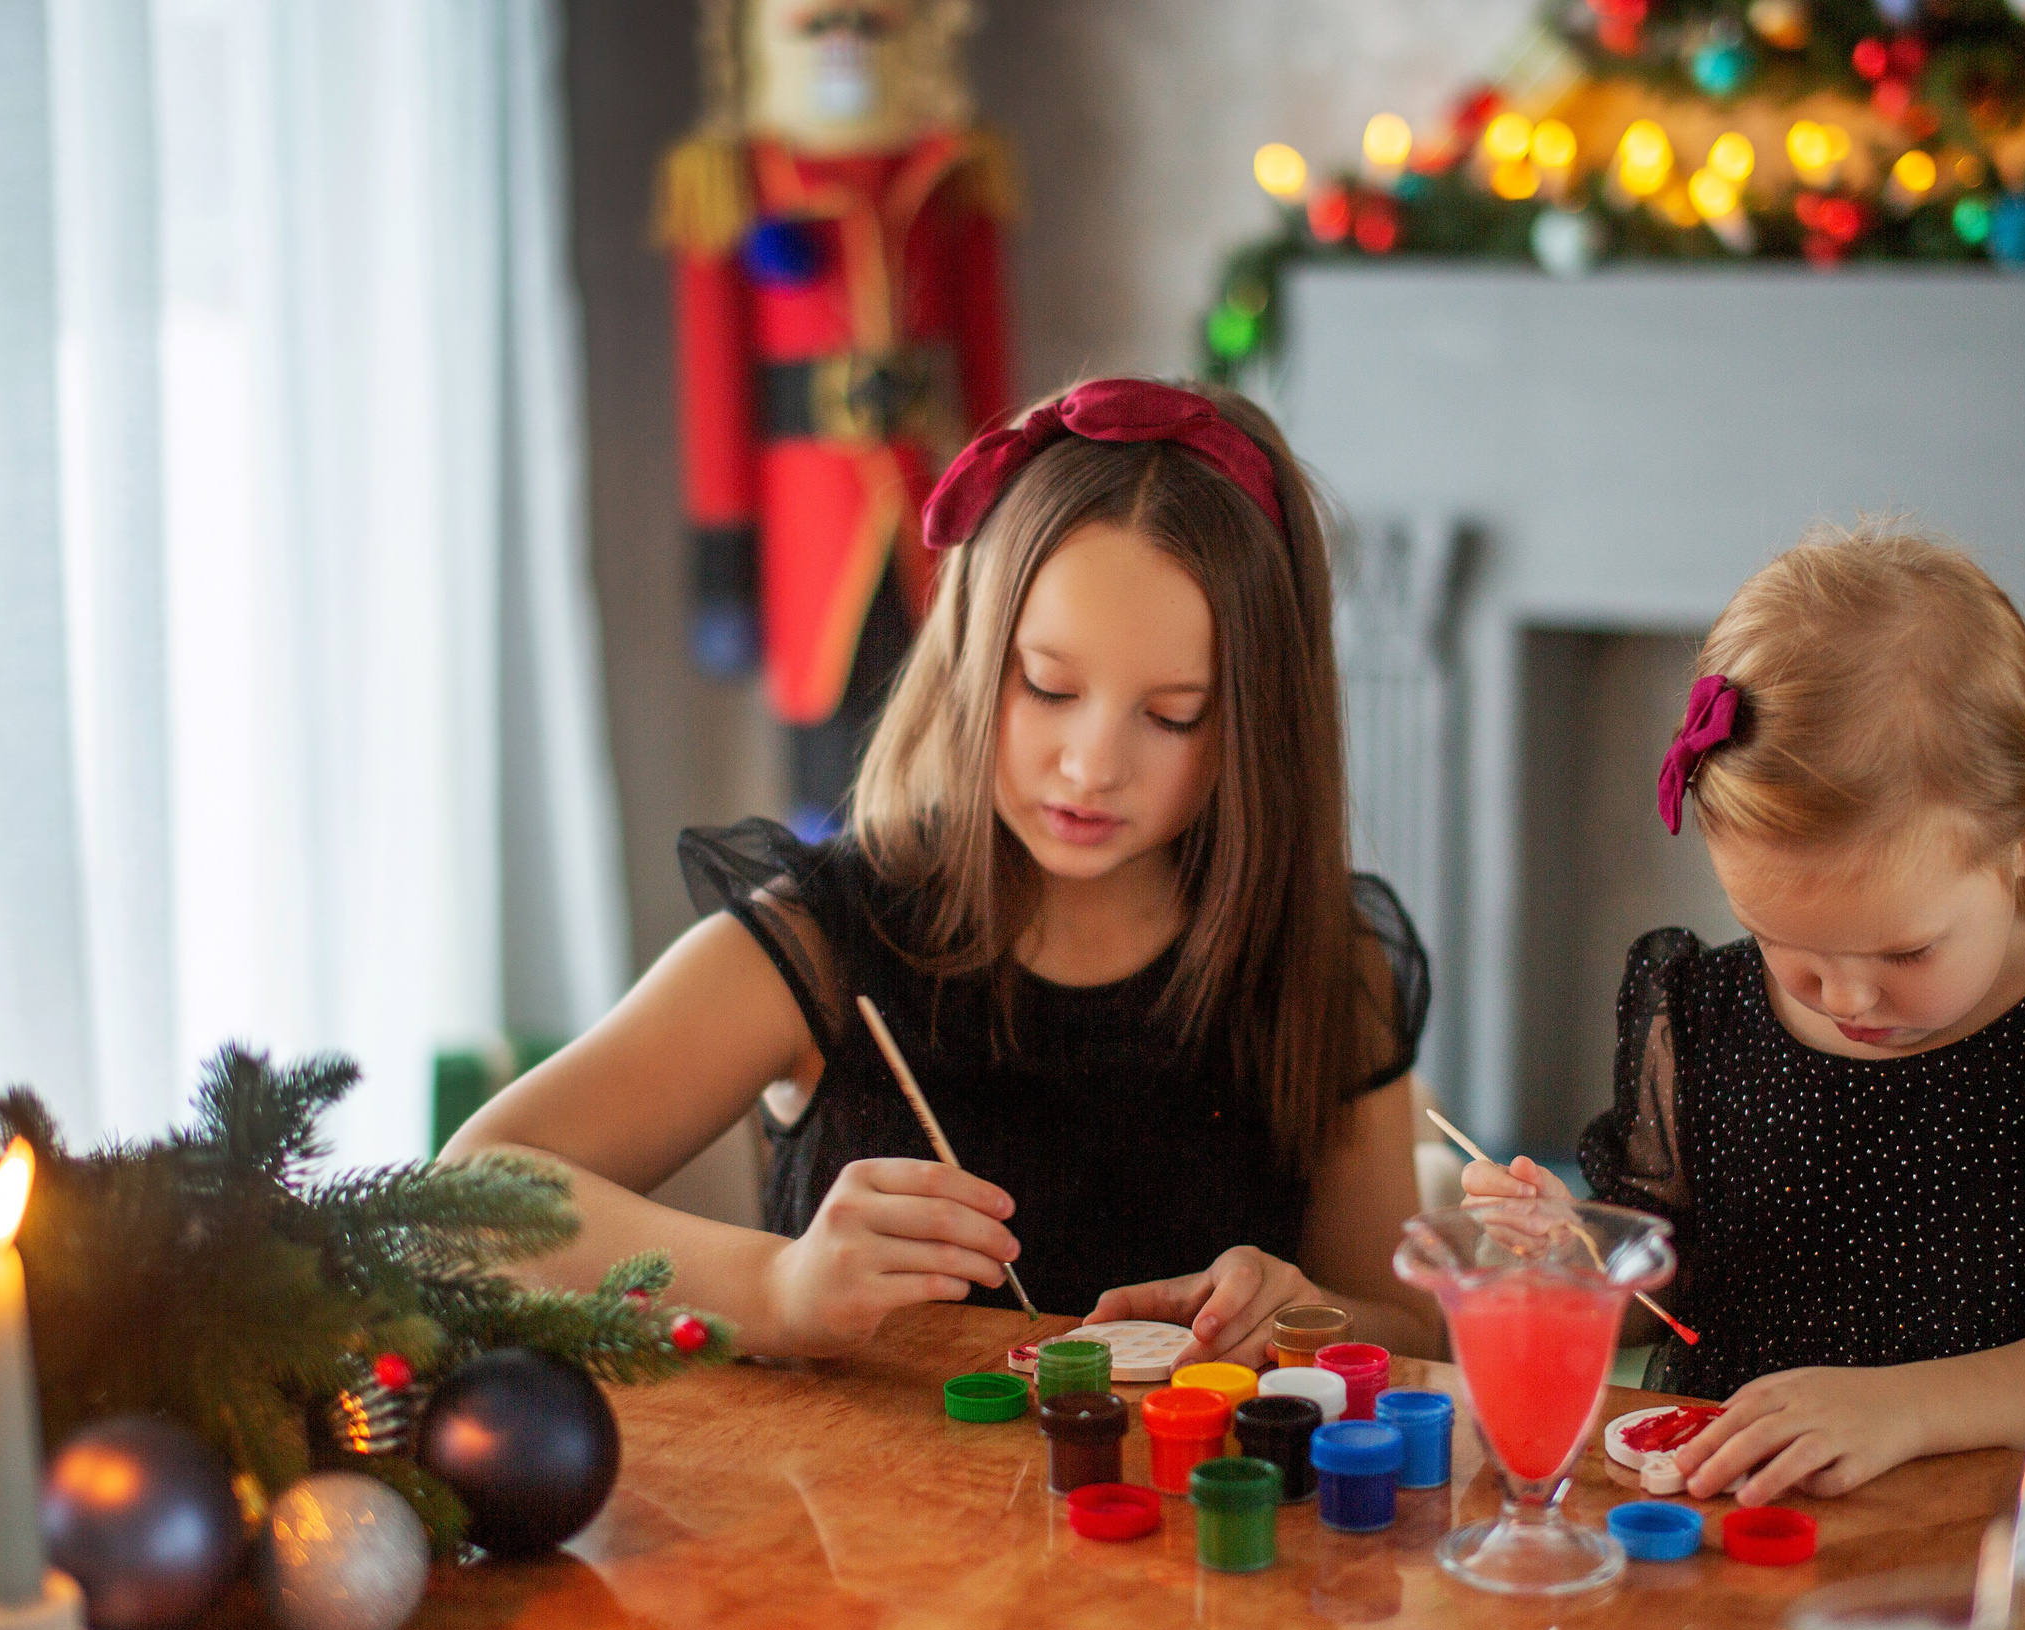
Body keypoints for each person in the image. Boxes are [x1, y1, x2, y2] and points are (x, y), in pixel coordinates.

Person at [446, 377, 1440, 1365]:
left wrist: (1312, 1317)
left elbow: (1407, 1335)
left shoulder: (1323, 966)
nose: (1091, 764)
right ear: (968, 653)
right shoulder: (824, 943)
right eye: (1047, 686)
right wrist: (776, 1287)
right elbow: (468, 1201)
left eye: (1172, 713)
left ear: (1257, 726)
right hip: (864, 1518)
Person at [1462, 525, 2025, 1504]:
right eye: (1781, 940)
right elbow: (1674, 1289)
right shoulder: (1697, 1010)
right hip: (1752, 1517)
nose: (1844, 996)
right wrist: (1581, 1253)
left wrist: (1900, 1409)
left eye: (1904, 950)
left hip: (2009, 1548)